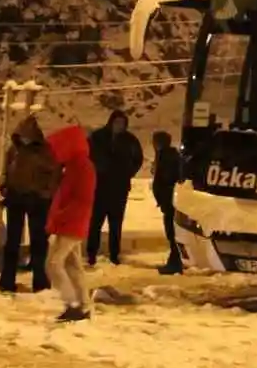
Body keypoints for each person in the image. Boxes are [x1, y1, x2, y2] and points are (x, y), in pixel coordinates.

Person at [0, 115, 59, 293]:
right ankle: (7, 281)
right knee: (12, 242)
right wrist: (4, 185)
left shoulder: (45, 151)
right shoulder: (13, 150)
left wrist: (47, 192)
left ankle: (40, 281)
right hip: (16, 197)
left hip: (37, 200)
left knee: (38, 242)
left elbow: (54, 173)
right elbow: (6, 170)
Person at [45, 124, 97, 323]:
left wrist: (60, 217)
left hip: (71, 223)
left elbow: (80, 199)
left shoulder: (80, 166)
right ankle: (82, 304)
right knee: (73, 265)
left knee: (54, 263)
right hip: (73, 223)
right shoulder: (79, 165)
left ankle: (72, 304)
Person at [86, 109, 143, 267]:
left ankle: (114, 254)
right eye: (117, 122)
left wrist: (127, 173)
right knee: (95, 222)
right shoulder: (97, 137)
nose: (119, 126)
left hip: (119, 187)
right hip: (100, 186)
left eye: (122, 123)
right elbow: (87, 156)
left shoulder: (130, 140)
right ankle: (91, 254)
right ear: (111, 122)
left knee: (116, 223)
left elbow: (138, 159)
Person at [151, 131, 183, 274]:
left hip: (169, 200)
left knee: (172, 232)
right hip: (168, 200)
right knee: (171, 232)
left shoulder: (166, 156)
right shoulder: (167, 155)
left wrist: (163, 195)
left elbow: (166, 178)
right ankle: (175, 260)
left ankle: (176, 262)